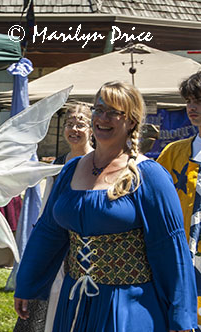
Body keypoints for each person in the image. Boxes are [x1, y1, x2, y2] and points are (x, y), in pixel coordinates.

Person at [14, 81, 197, 332]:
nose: (103, 118)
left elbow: (169, 247)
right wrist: (28, 284)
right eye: (99, 110)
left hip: (128, 305)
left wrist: (180, 316)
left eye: (114, 112)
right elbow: (48, 232)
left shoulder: (149, 176)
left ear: (131, 121)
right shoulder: (71, 170)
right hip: (75, 300)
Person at [14, 102, 94, 332]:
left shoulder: (98, 162)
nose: (74, 130)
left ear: (90, 129)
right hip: (58, 240)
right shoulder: (58, 164)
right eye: (70, 124)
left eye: (80, 124)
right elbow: (46, 205)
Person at [156, 71, 201, 325]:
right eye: (189, 101)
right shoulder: (174, 152)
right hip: (181, 257)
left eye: (199, 100)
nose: (192, 107)